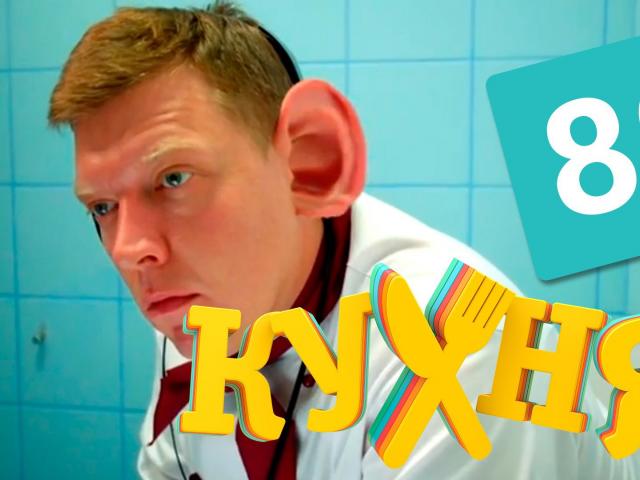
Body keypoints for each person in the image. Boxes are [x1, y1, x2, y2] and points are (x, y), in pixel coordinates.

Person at [48, 2, 638, 479]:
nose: (130, 249)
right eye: (102, 207)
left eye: (174, 178)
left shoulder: (464, 351)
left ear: (308, 162)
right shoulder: (196, 305)